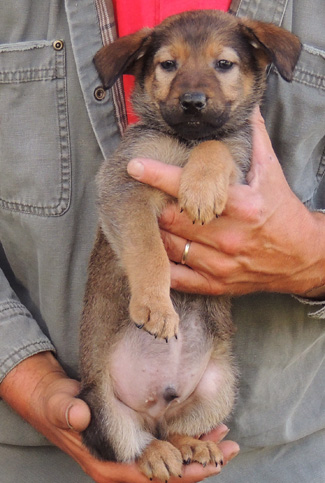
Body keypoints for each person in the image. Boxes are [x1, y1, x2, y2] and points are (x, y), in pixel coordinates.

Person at [0, 1, 323, 483]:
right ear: (142, 74)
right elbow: (123, 195)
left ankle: (176, 437)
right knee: (113, 421)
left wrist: (312, 258)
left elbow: (230, 163)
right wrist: (27, 377)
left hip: (279, 453)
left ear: (259, 65)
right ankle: (140, 446)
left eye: (223, 65)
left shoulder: (231, 138)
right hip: (49, 446)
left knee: (217, 383)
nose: (194, 91)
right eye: (169, 66)